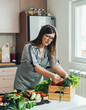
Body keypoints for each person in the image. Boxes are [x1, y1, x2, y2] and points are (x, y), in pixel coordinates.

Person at [14, 25, 68, 91]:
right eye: (47, 36)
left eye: (51, 38)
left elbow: (54, 65)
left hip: (37, 83)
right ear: (41, 34)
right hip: (22, 83)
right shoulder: (29, 47)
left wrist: (65, 75)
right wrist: (52, 75)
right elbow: (35, 67)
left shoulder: (49, 49)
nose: (49, 40)